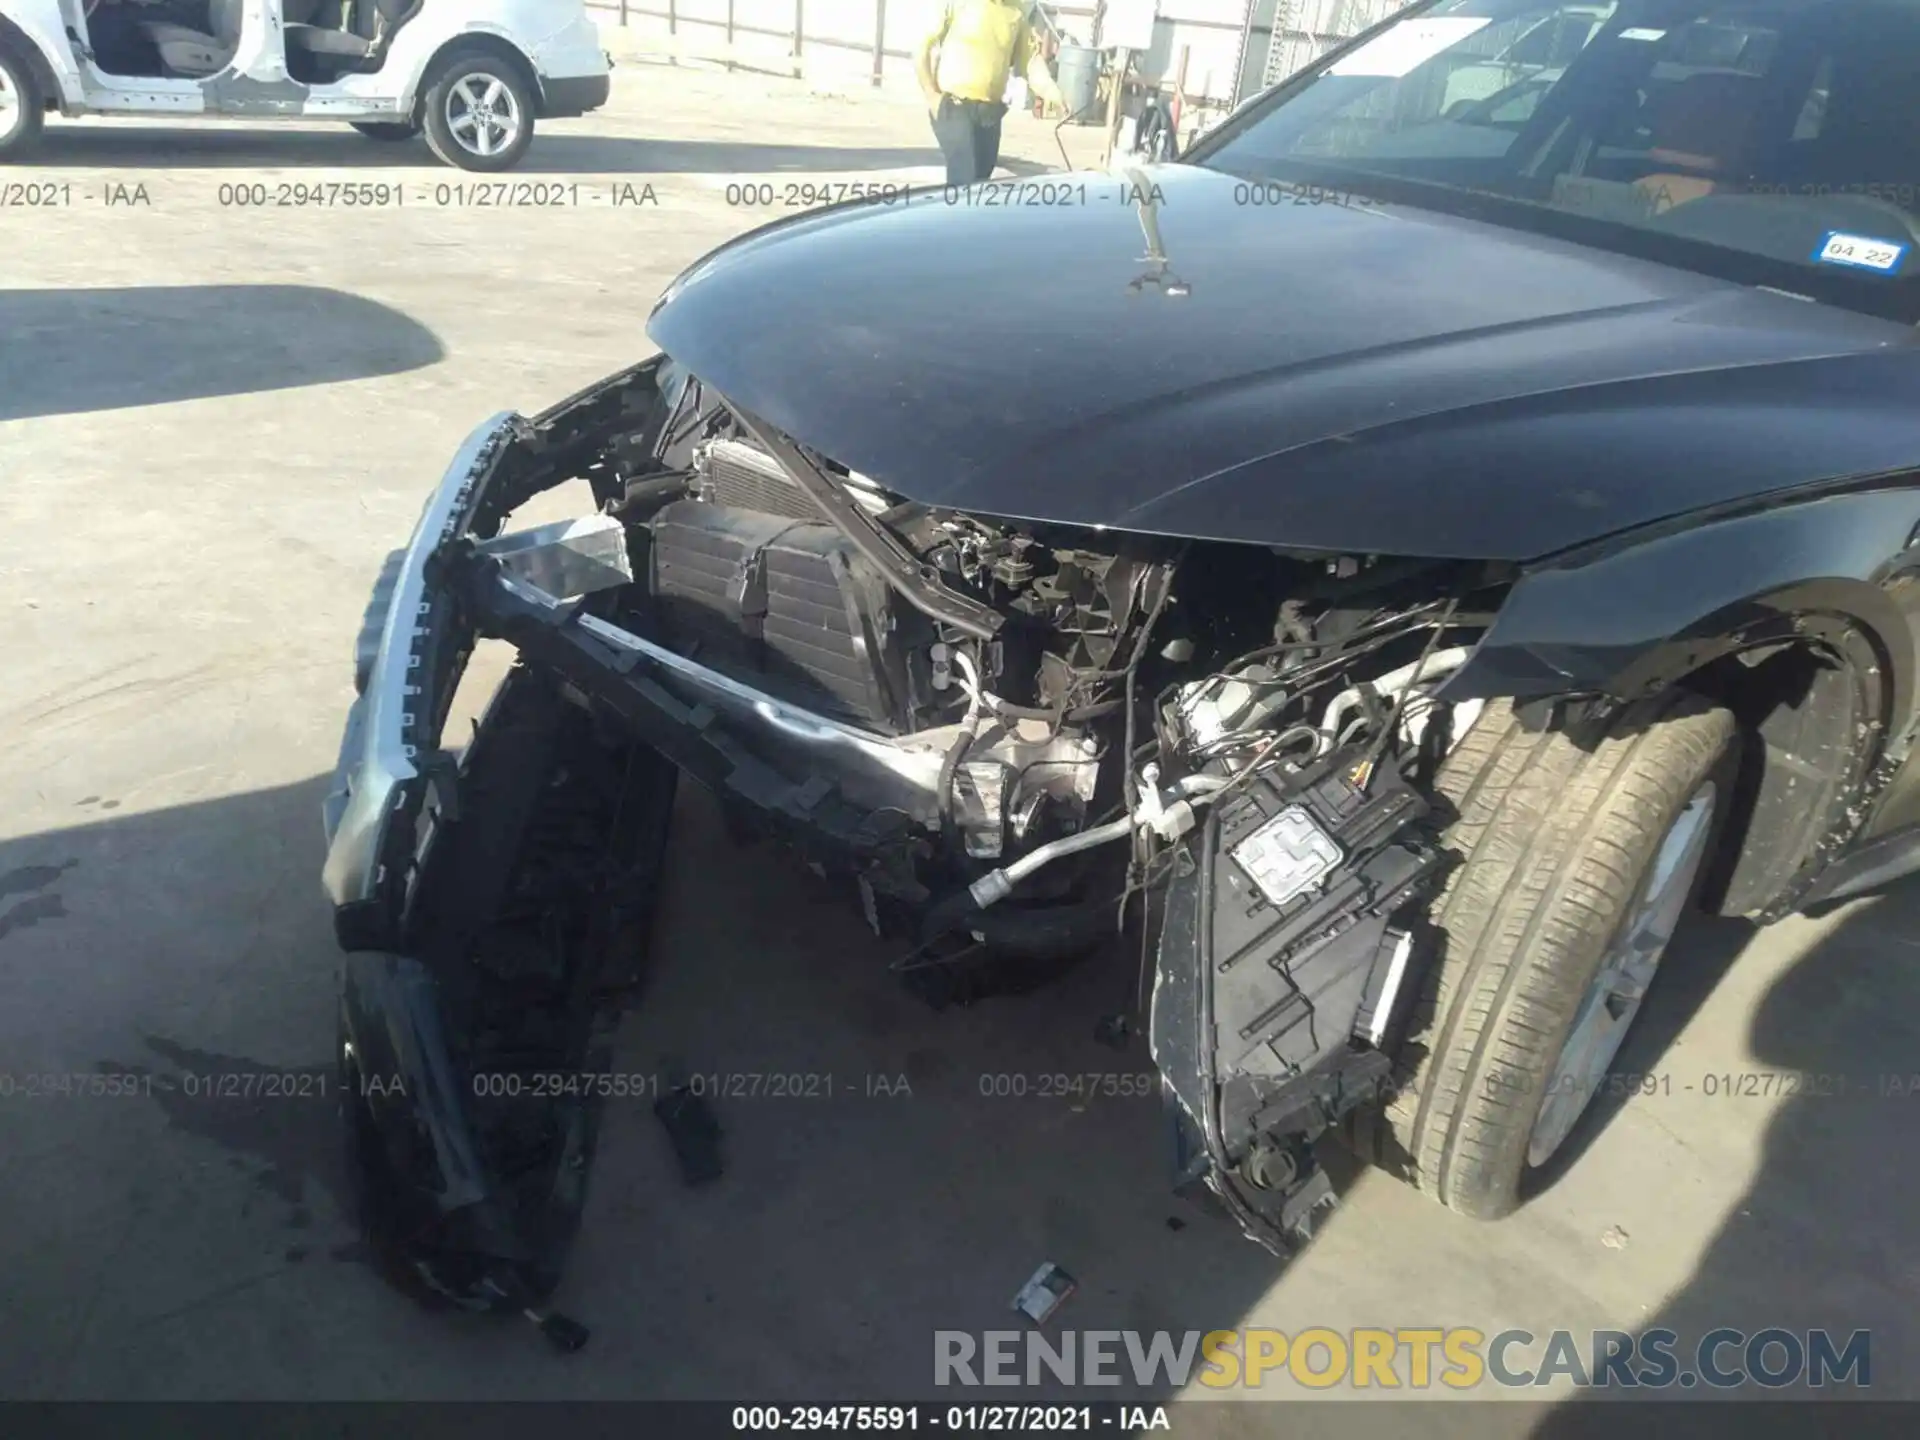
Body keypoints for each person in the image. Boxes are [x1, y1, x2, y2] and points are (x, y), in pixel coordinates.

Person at [915, 0, 1067, 186]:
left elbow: (1030, 63)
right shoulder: (956, 4)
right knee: (963, 175)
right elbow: (922, 47)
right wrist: (931, 95)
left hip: (990, 113)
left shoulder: (1016, 12)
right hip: (953, 106)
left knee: (981, 181)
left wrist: (1053, 92)